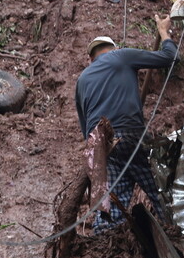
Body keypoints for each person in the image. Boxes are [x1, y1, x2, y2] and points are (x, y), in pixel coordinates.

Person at [75, 14, 177, 233]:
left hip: (100, 145)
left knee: (114, 200)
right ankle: (175, 231)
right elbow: (169, 57)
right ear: (114, 48)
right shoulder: (121, 56)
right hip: (129, 133)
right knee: (158, 188)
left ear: (91, 59)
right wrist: (163, 33)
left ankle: (105, 244)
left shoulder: (82, 79)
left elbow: (86, 127)